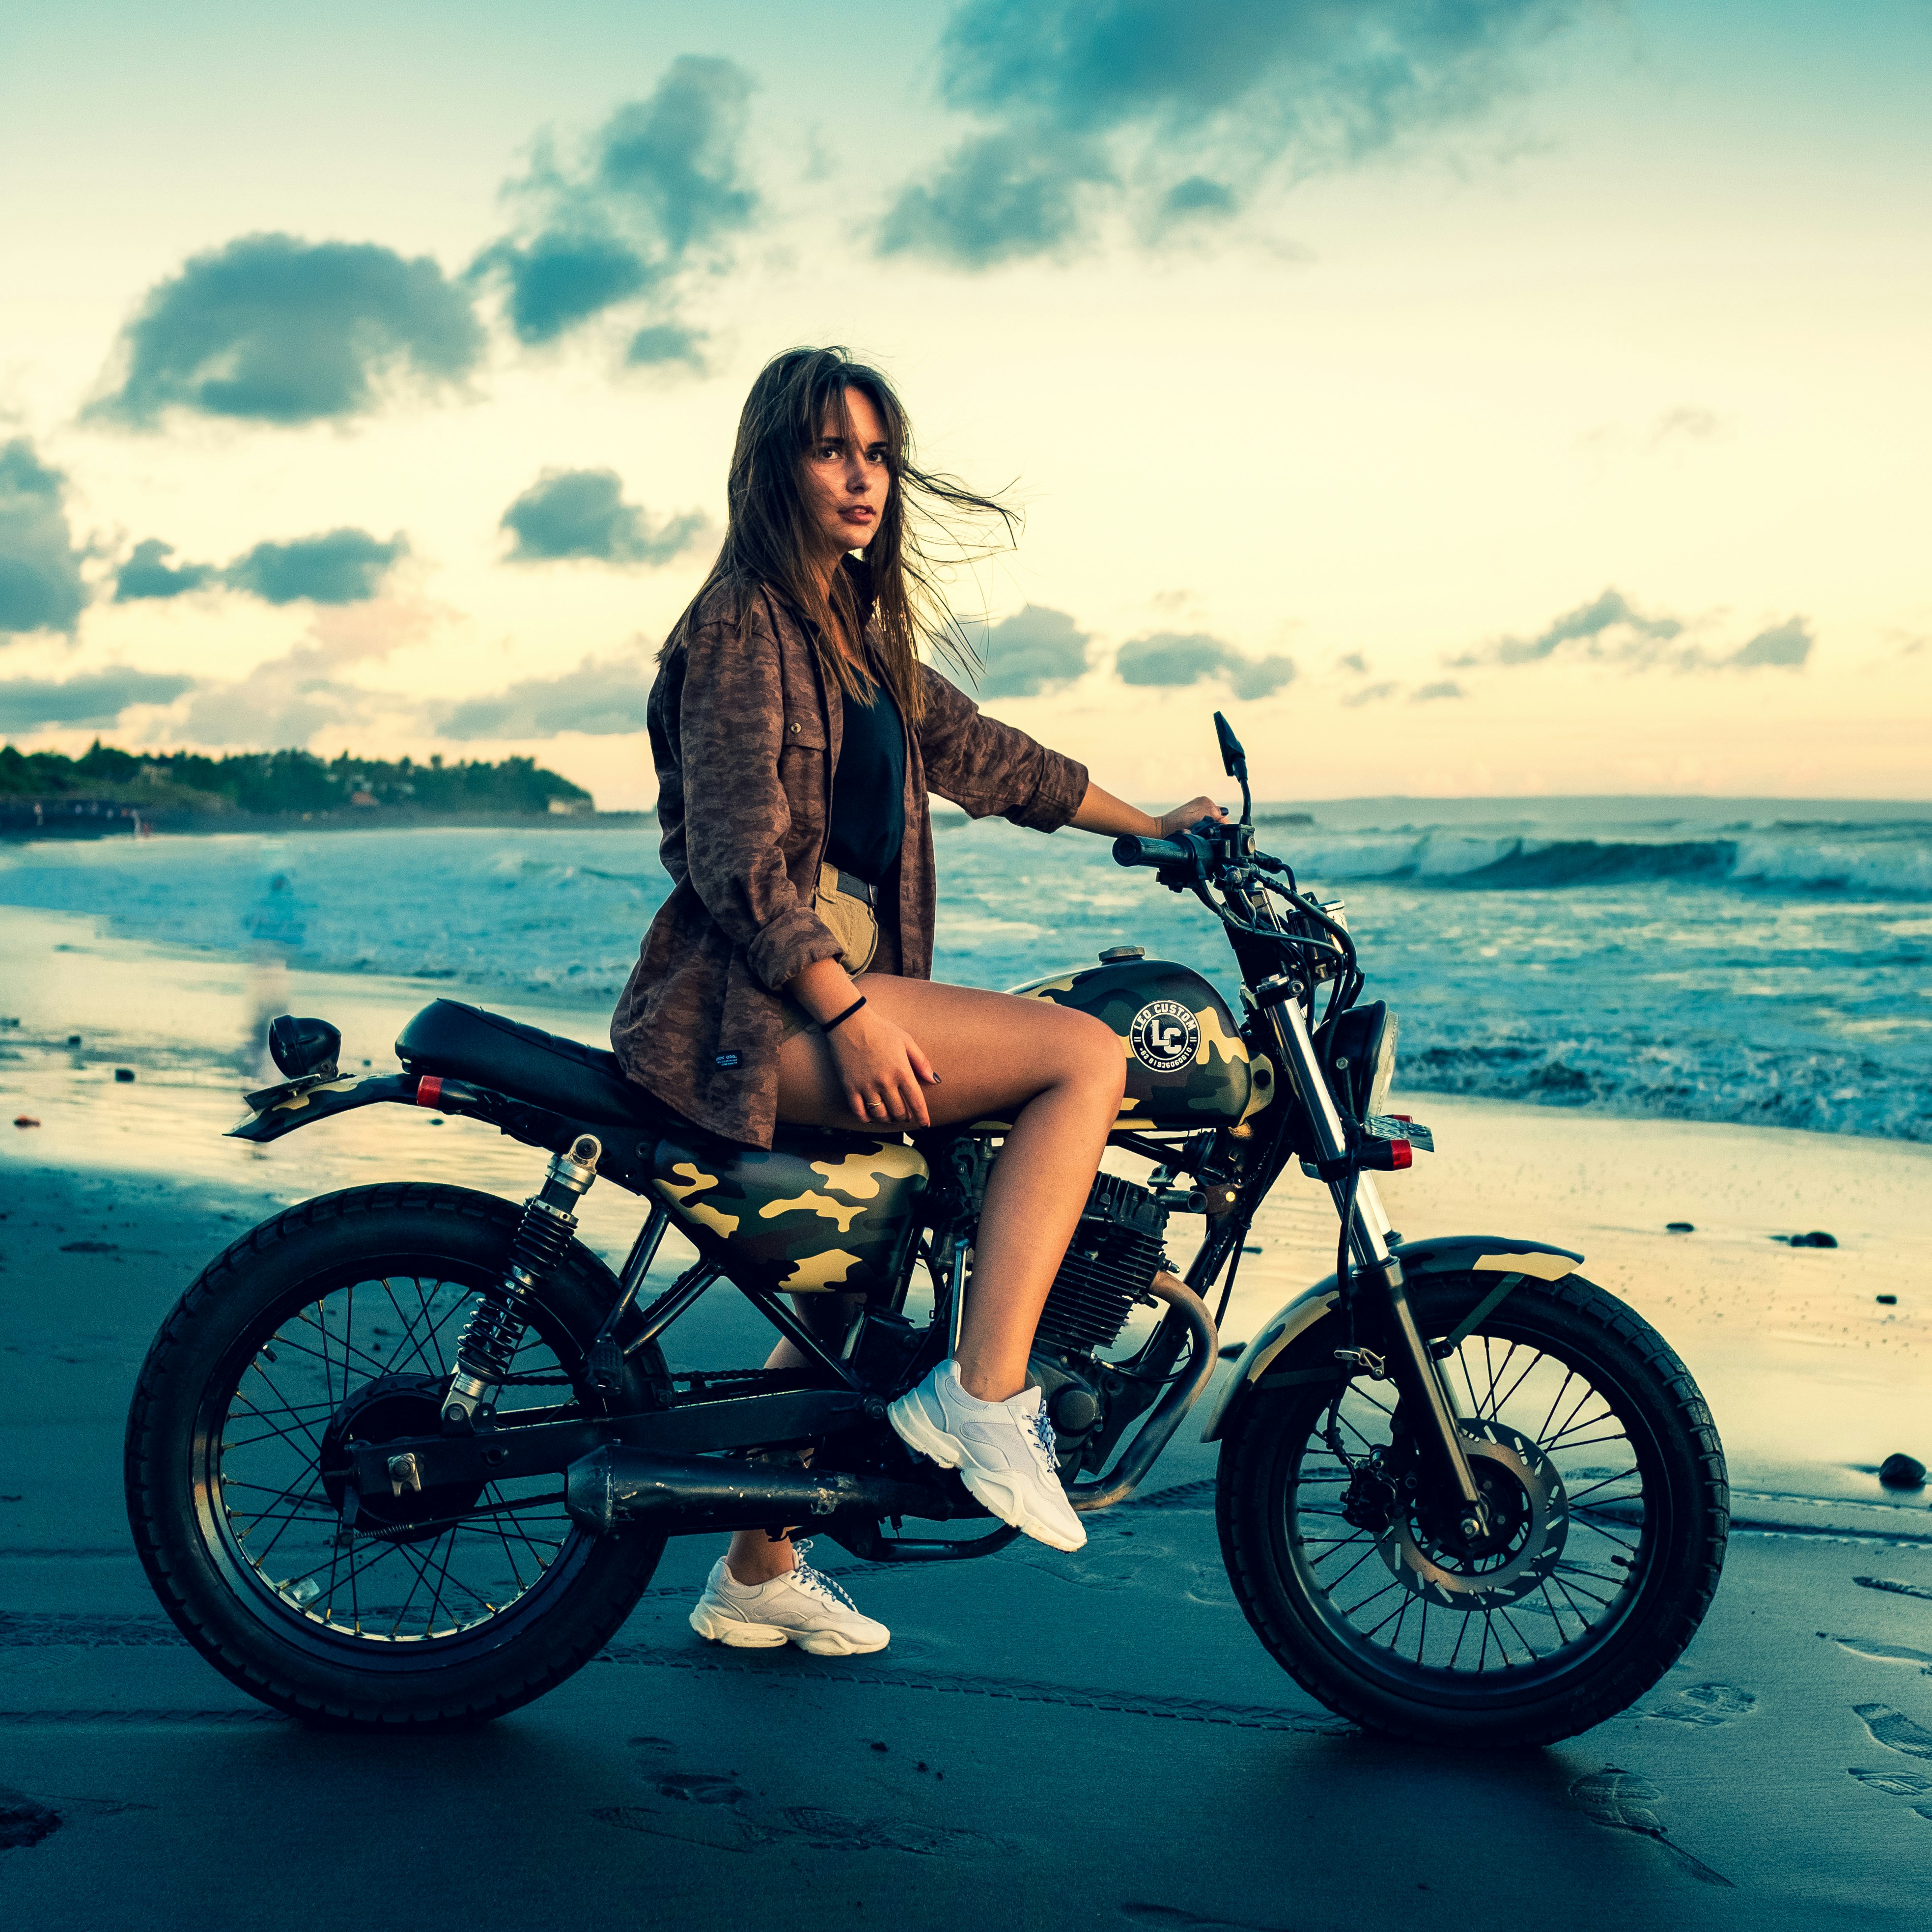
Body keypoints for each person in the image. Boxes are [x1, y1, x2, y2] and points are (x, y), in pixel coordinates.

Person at [611, 346, 1224, 1657]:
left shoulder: (856, 635)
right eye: (834, 449)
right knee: (1079, 1059)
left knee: (859, 1260)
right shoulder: (740, 628)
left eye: (879, 453)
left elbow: (993, 760)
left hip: (820, 991)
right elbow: (732, 855)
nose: (863, 477)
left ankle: (758, 1568)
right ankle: (985, 1393)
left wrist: (1153, 826)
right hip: (755, 1005)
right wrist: (847, 1012)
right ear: (774, 465)